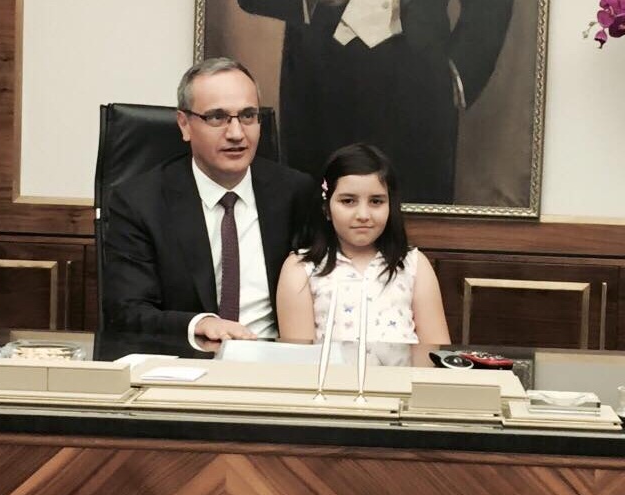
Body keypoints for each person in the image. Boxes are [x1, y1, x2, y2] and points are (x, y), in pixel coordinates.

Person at [101, 57, 314, 359]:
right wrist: (200, 324)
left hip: (275, 364)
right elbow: (126, 311)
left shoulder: (295, 192)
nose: (237, 133)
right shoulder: (140, 202)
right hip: (182, 366)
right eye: (217, 117)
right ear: (184, 124)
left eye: (248, 116)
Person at [237, 0, 513, 204]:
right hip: (318, 82)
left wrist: (459, 71)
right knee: (317, 224)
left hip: (420, 86)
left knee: (417, 230)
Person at [276, 143, 451, 344]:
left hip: (402, 366)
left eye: (376, 201)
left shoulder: (414, 265)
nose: (363, 215)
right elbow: (299, 358)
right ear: (326, 208)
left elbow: (434, 351)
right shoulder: (301, 269)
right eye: (348, 201)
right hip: (326, 366)